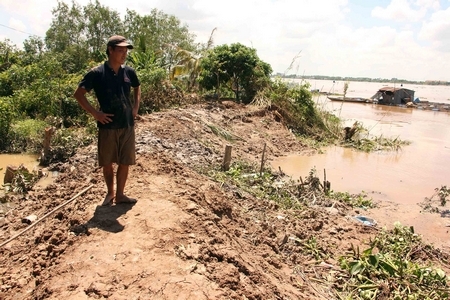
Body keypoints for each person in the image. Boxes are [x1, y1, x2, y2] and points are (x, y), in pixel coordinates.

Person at [74, 35, 141, 206]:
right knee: (107, 162)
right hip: (108, 126)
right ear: (110, 50)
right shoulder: (97, 73)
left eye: (125, 50)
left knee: (125, 161)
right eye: (120, 50)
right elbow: (79, 94)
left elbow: (137, 87)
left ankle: (120, 195)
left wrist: (135, 108)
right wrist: (96, 113)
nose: (124, 53)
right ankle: (110, 193)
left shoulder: (129, 72)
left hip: (127, 124)